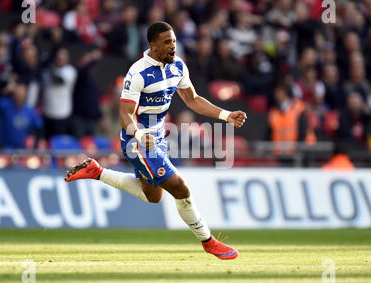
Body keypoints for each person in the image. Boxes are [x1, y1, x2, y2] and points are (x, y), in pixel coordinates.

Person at [64, 22, 247, 260]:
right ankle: (208, 241)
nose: (173, 46)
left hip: (157, 139)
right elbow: (124, 114)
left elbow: (193, 100)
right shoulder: (138, 72)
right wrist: (140, 135)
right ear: (153, 45)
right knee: (180, 187)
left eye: (174, 41)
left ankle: (97, 171)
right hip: (137, 142)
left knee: (154, 196)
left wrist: (226, 115)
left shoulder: (178, 66)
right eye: (167, 42)